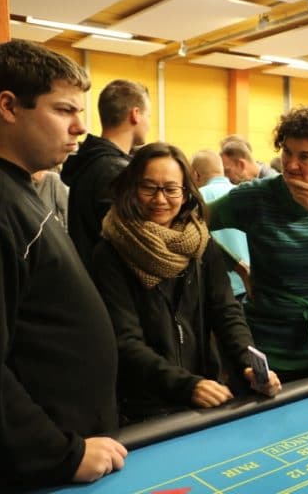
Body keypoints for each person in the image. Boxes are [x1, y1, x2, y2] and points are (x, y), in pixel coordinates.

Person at [0, 39, 126, 489]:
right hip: (41, 467)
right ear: (8, 106)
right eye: (64, 110)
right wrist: (60, 452)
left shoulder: (15, 185)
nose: (80, 127)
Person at [91, 142, 281, 424]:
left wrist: (248, 364)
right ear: (132, 188)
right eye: (149, 188)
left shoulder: (201, 243)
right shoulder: (109, 252)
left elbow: (226, 311)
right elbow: (125, 340)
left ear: (185, 191)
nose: (160, 199)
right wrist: (186, 385)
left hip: (205, 390)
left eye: (171, 189)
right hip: (143, 405)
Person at [208, 106, 308, 382]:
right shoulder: (256, 196)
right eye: (287, 152)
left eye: (305, 156)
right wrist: (234, 265)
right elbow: (191, 222)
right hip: (271, 355)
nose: (291, 164)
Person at [61, 79, 151, 268]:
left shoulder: (89, 161)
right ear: (135, 114)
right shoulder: (117, 171)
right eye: (148, 116)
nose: (149, 124)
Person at [191, 149, 250, 302]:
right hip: (248, 286)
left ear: (195, 175)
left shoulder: (195, 200)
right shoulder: (244, 195)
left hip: (216, 290)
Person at [32, 166, 69, 230]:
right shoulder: (20, 184)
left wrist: (66, 233)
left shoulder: (53, 179)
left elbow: (67, 210)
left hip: (53, 231)